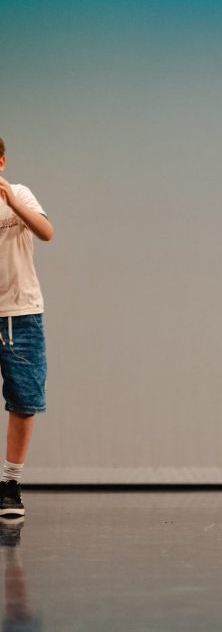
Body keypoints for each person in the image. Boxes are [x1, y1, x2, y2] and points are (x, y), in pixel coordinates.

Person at [0, 135, 55, 521]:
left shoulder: (19, 194)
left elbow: (46, 232)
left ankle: (10, 485)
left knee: (23, 400)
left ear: (2, 162)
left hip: (20, 313)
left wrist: (12, 202)